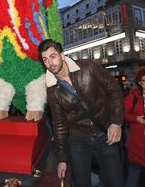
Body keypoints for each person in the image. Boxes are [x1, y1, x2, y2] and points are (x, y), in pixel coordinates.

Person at [38, 39, 124, 187]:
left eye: (53, 56)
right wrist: (62, 158)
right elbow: (59, 124)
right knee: (81, 183)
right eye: (45, 59)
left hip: (105, 133)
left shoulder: (88, 67)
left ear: (62, 55)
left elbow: (114, 89)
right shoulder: (52, 90)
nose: (50, 63)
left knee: (114, 181)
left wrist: (116, 121)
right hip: (78, 139)